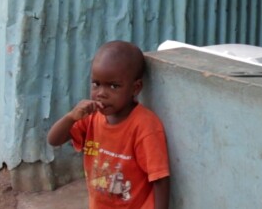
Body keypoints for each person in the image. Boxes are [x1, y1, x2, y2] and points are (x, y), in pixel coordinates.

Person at [48, 41, 170, 209]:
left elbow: (160, 179)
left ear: (135, 88)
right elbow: (53, 140)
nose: (101, 93)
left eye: (114, 86)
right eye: (96, 84)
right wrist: (71, 117)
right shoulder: (90, 117)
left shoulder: (145, 126)